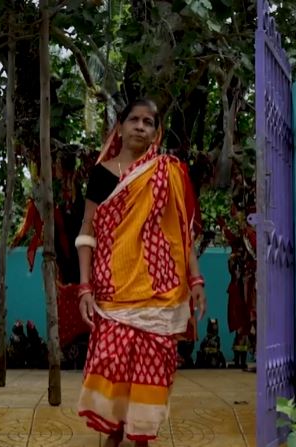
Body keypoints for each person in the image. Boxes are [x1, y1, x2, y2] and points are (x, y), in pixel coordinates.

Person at [76, 99, 206, 446]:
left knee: (151, 372)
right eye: (133, 119)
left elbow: (182, 233)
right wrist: (85, 287)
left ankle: (142, 438)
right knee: (112, 367)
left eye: (148, 122)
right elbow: (87, 231)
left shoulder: (168, 173)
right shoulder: (102, 174)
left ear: (155, 132)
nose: (140, 126)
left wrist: (196, 280)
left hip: (160, 296)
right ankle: (112, 436)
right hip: (112, 292)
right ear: (119, 127)